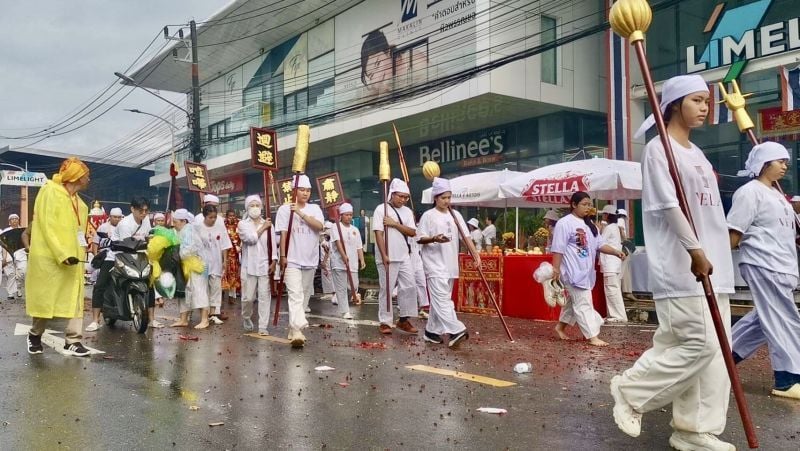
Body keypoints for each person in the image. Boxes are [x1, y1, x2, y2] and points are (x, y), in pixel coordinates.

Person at [610, 75, 736, 451]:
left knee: (716, 356)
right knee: (698, 345)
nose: (704, 107)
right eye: (697, 100)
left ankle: (694, 430)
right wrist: (695, 250)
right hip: (683, 265)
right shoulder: (657, 149)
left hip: (715, 265)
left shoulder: (696, 152)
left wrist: (712, 250)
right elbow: (667, 206)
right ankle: (631, 391)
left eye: (707, 102)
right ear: (675, 104)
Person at [728, 142, 800, 400]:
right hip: (763, 263)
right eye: (779, 161)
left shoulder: (778, 196)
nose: (784, 166)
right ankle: (787, 377)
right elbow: (735, 232)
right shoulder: (749, 192)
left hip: (783, 266)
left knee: (765, 319)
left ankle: (722, 358)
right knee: (785, 319)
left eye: (785, 162)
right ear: (764, 164)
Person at [25, 157, 92, 357]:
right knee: (47, 299)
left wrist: (83, 250)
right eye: (86, 175)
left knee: (75, 298)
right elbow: (46, 226)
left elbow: (80, 231)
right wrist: (62, 253)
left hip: (74, 260)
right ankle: (35, 335)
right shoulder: (49, 191)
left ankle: (73, 340)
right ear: (77, 177)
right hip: (49, 259)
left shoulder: (80, 204)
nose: (89, 179)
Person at [551, 192, 625, 347]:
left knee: (574, 301)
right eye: (584, 204)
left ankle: (560, 327)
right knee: (583, 303)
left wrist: (616, 252)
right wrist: (556, 269)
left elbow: (600, 245)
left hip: (586, 272)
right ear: (573, 205)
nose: (588, 207)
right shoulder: (565, 223)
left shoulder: (591, 225)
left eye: (589, 204)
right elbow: (558, 248)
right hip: (572, 271)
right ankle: (593, 336)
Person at [417, 178, 480, 347]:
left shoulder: (456, 215)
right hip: (433, 264)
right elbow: (420, 238)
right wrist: (434, 238)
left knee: (441, 299)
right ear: (435, 198)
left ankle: (431, 332)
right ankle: (455, 329)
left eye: (449, 197)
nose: (447, 201)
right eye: (443, 197)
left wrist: (476, 255)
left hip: (450, 264)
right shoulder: (428, 216)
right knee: (442, 300)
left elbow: (466, 237)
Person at [276, 174, 324, 347]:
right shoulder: (284, 209)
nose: (305, 193)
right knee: (295, 294)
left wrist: (300, 213)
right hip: (292, 259)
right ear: (294, 191)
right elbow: (283, 234)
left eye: (308, 190)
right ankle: (297, 331)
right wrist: (282, 256)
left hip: (310, 259)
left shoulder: (315, 209)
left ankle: (294, 327)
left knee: (304, 296)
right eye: (302, 190)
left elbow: (319, 226)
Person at [373, 178, 419, 335]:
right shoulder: (381, 209)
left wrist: (394, 224)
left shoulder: (407, 212)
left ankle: (404, 319)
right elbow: (378, 233)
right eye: (400, 196)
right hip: (387, 256)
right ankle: (385, 321)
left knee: (409, 286)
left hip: (403, 255)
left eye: (406, 197)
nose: (403, 200)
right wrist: (384, 254)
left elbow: (412, 232)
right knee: (386, 288)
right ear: (392, 194)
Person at [112, 197, 163, 328]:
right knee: (103, 280)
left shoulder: (145, 220)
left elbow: (148, 237)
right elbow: (127, 245)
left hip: (140, 254)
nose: (144, 213)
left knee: (149, 283)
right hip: (120, 254)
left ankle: (151, 319)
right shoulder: (125, 224)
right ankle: (97, 318)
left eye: (146, 210)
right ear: (132, 209)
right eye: (141, 210)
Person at [237, 195, 277, 334]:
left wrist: (274, 260)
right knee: (248, 298)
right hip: (248, 266)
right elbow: (250, 239)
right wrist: (263, 227)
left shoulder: (268, 224)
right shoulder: (242, 225)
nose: (255, 208)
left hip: (264, 265)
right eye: (251, 206)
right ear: (247, 209)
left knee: (264, 296)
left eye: (257, 205)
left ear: (261, 207)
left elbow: (272, 244)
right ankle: (246, 316)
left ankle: (263, 326)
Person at [85, 207, 124, 332]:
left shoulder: (125, 227)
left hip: (123, 259)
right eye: (115, 217)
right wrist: (98, 256)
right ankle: (95, 320)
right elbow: (96, 243)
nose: (117, 219)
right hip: (107, 258)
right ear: (110, 217)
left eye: (119, 217)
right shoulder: (103, 228)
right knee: (99, 285)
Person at [195, 204, 232, 327]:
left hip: (216, 262)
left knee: (216, 288)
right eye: (210, 217)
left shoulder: (220, 227)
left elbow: (224, 245)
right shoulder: (198, 228)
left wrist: (224, 261)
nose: (213, 220)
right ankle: (204, 315)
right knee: (204, 289)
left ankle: (213, 314)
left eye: (215, 217)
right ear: (204, 216)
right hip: (202, 263)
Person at [170, 208, 208, 328]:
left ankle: (205, 319)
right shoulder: (181, 231)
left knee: (199, 291)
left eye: (175, 222)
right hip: (184, 265)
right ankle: (183, 319)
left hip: (196, 265)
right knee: (184, 292)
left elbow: (187, 250)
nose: (174, 224)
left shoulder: (189, 231)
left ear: (183, 221)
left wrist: (176, 253)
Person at [330, 203, 365, 320]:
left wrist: (362, 260)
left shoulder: (355, 230)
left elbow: (359, 246)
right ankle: (345, 311)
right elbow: (337, 242)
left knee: (354, 286)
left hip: (353, 263)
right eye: (346, 215)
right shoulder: (336, 227)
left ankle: (337, 298)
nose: (349, 217)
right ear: (341, 215)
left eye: (350, 215)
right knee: (341, 287)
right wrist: (343, 255)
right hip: (339, 263)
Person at [599, 205, 626, 322]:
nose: (603, 216)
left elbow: (600, 243)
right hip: (612, 263)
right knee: (613, 290)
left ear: (607, 215)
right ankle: (615, 315)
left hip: (610, 263)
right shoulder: (614, 227)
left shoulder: (610, 228)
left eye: (604, 214)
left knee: (612, 290)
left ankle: (618, 316)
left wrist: (598, 230)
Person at [222, 209, 241, 306]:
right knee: (223, 274)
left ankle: (232, 296)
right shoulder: (223, 226)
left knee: (233, 275)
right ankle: (220, 294)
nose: (232, 217)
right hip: (224, 255)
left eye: (233, 215)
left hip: (235, 255)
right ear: (226, 217)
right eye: (230, 216)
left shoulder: (239, 225)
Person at [2, 213, 22, 299]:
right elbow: (3, 245)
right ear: (9, 222)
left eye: (16, 218)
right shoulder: (5, 231)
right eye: (12, 219)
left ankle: (19, 288)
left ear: (18, 220)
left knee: (21, 273)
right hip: (9, 255)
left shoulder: (22, 230)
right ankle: (10, 293)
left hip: (20, 255)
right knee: (10, 274)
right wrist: (4, 257)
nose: (14, 220)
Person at [319, 222, 336, 306]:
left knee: (328, 276)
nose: (324, 230)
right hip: (325, 260)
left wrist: (324, 262)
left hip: (327, 261)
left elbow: (327, 251)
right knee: (326, 277)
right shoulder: (326, 238)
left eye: (326, 228)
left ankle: (331, 293)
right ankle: (328, 292)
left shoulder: (329, 239)